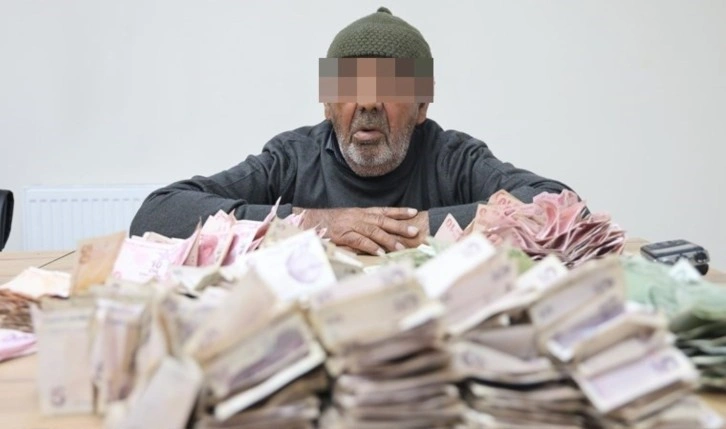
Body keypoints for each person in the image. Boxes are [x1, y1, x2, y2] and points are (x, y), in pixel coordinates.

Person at [130, 7, 576, 256]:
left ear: (423, 104)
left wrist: (422, 226)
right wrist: (313, 223)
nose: (367, 102)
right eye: (350, 87)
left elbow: (563, 206)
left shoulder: (453, 158)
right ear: (327, 102)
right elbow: (157, 213)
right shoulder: (292, 158)